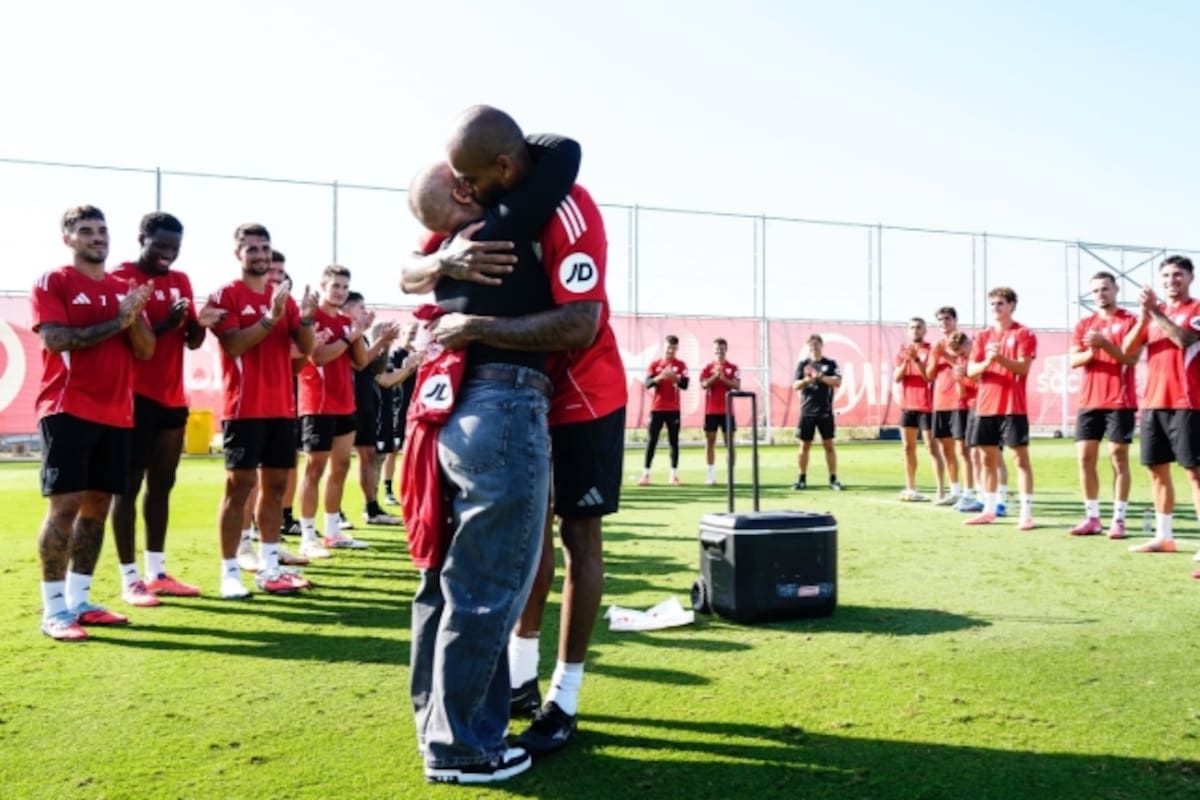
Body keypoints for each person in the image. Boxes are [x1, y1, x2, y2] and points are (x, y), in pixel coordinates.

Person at [401, 111, 585, 783]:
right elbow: (564, 150)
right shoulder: (498, 226)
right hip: (502, 403)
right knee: (488, 584)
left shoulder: (446, 254)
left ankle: (437, 727)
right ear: (464, 193)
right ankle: (465, 748)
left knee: (443, 582)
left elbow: (408, 269)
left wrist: (432, 260)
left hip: (448, 409)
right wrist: (492, 159)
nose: (472, 187)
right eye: (465, 182)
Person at [31, 205, 154, 640]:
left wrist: (132, 318)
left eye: (102, 230)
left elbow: (145, 350)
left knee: (98, 505)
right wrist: (118, 319)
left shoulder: (124, 288)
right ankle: (53, 610)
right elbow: (56, 339)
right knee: (65, 506)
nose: (97, 237)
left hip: (117, 413)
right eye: (86, 231)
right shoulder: (55, 280)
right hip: (68, 407)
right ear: (68, 238)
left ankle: (80, 600)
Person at [109, 212, 222, 607]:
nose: (168, 254)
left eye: (174, 248)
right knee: (127, 487)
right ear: (141, 238)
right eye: (160, 246)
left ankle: (157, 573)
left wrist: (200, 324)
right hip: (134, 397)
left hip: (172, 398)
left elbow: (191, 340)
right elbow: (126, 340)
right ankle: (130, 579)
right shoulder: (121, 277)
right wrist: (163, 324)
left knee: (162, 485)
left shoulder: (181, 280)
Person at [204, 223, 317, 598]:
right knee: (239, 488)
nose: (260, 255)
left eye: (264, 249)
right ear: (237, 254)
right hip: (244, 409)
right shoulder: (226, 295)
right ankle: (229, 572)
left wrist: (306, 319)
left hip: (281, 408)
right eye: (251, 249)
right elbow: (234, 345)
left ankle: (270, 568)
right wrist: (270, 317)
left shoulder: (281, 297)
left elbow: (304, 349)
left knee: (277, 487)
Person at [296, 266, 395, 554]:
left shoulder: (344, 322)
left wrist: (360, 332)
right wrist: (350, 337)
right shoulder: (313, 318)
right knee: (314, 469)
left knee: (340, 466)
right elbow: (318, 357)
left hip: (344, 403)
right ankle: (307, 536)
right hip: (317, 404)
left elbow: (360, 362)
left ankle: (333, 531)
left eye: (344, 286)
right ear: (323, 286)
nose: (340, 291)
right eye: (335, 286)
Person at [1122, 256, 1200, 575]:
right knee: (1156, 470)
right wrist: (1144, 317)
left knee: (1194, 473)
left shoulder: (1196, 310)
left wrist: (1154, 311)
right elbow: (1127, 352)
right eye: (1166, 275)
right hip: (1153, 403)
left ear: (1191, 277)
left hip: (1188, 402)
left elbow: (1183, 340)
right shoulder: (1153, 316)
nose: (1171, 280)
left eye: (1178, 274)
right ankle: (1164, 537)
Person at [1067, 271, 1139, 539]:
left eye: (1105, 288)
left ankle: (1119, 519)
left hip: (1120, 399)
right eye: (1096, 290)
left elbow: (1131, 358)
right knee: (1085, 459)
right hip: (1089, 401)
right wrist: (1092, 350)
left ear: (1116, 290)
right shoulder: (1084, 324)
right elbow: (1074, 360)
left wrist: (1104, 344)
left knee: (1118, 458)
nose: (1100, 294)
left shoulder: (1130, 320)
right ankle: (1092, 517)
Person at [964, 286, 1037, 529]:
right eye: (993, 304)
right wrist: (987, 361)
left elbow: (1023, 368)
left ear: (1012, 305)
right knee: (987, 460)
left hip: (1013, 406)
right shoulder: (983, 336)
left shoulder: (1024, 333)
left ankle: (1026, 513)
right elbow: (971, 371)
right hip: (986, 406)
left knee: (1020, 459)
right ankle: (989, 509)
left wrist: (1000, 359)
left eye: (1001, 303)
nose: (996, 308)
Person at [346, 296, 405, 526]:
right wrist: (381, 340)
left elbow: (375, 368)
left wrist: (386, 344)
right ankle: (336, 514)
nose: (365, 311)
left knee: (369, 456)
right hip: (347, 402)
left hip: (367, 403)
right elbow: (360, 363)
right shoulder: (346, 333)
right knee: (339, 461)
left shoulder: (361, 337)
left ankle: (372, 509)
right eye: (361, 307)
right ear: (349, 309)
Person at [894, 317, 943, 501]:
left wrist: (916, 359)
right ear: (908, 331)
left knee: (932, 447)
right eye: (912, 327)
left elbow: (928, 377)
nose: (915, 330)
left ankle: (940, 490)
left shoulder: (930, 350)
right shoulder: (903, 351)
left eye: (919, 327)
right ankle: (911, 487)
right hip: (907, 406)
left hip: (926, 407)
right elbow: (897, 377)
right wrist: (907, 361)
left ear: (925, 330)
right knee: (908, 448)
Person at [791, 334, 843, 490]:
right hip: (807, 411)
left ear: (821, 345)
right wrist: (806, 380)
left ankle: (833, 479)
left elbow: (837, 381)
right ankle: (801, 479)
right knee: (804, 446)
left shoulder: (830, 364)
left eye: (816, 344)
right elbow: (795, 385)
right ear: (808, 347)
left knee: (828, 445)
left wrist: (820, 377)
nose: (814, 347)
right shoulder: (803, 364)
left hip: (825, 411)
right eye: (811, 345)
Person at [927, 307, 966, 506]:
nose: (944, 322)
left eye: (947, 318)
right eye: (940, 319)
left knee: (963, 449)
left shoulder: (963, 341)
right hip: (940, 401)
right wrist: (936, 356)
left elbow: (965, 367)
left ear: (955, 320)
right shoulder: (937, 345)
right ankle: (954, 490)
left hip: (959, 400)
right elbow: (929, 375)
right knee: (946, 449)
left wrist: (946, 355)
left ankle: (971, 492)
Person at [638, 335, 688, 486]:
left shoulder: (681, 365)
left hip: (673, 409)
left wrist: (675, 378)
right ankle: (645, 475)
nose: (671, 350)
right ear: (664, 346)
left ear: (677, 348)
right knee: (652, 441)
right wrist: (660, 377)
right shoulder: (655, 364)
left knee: (674, 442)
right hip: (657, 409)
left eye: (674, 348)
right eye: (668, 347)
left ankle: (674, 476)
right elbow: (648, 383)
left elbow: (685, 385)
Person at [700, 338, 741, 486]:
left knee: (729, 443)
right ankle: (710, 475)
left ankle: (731, 475)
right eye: (717, 349)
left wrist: (723, 378)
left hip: (727, 411)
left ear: (726, 349)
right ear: (713, 350)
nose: (720, 351)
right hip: (711, 411)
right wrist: (714, 377)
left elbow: (737, 385)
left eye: (722, 348)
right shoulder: (707, 367)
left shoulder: (733, 367)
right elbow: (704, 384)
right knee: (710, 442)